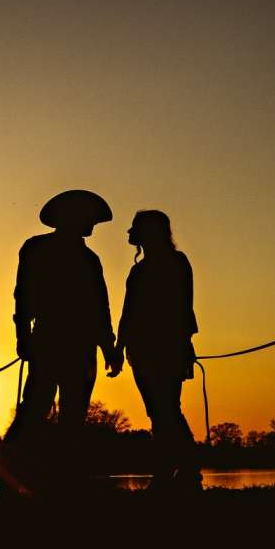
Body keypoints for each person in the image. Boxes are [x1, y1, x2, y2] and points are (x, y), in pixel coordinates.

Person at [4, 189, 118, 462]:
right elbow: (24, 296)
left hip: (61, 341)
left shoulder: (55, 252)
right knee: (38, 407)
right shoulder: (45, 250)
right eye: (89, 218)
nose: (93, 225)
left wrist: (108, 346)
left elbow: (100, 308)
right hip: (60, 341)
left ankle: (57, 475)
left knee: (66, 412)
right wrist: (23, 336)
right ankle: (13, 466)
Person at [110, 209, 200, 491]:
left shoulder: (174, 263)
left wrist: (182, 344)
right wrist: (120, 347)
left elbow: (181, 308)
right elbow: (128, 312)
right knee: (161, 410)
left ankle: (180, 470)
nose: (128, 232)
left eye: (134, 227)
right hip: (143, 350)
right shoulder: (141, 270)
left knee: (166, 409)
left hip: (164, 347)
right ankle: (177, 469)